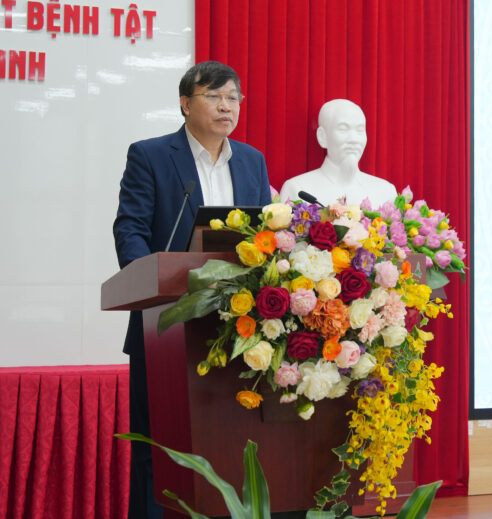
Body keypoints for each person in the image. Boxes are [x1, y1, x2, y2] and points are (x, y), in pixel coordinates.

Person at [113, 60, 272, 519]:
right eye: (214, 96)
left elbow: (265, 237)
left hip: (237, 326)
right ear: (185, 104)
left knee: (230, 443)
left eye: (233, 97)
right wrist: (152, 284)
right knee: (159, 448)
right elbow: (130, 230)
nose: (226, 106)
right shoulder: (150, 156)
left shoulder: (252, 161)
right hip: (164, 324)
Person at [279, 98, 397, 208]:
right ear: (322, 136)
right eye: (343, 129)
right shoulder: (297, 189)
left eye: (360, 130)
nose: (354, 139)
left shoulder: (385, 192)